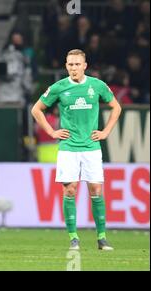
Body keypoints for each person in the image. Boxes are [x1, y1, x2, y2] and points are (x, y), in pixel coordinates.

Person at [31, 49, 122, 251]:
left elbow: (116, 107)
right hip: (68, 148)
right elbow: (36, 109)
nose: (74, 68)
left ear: (84, 66)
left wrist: (106, 131)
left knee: (96, 190)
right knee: (70, 190)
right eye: (70, 64)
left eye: (77, 64)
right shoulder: (59, 87)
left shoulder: (97, 85)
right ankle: (74, 238)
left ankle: (102, 238)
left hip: (91, 147)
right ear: (66, 66)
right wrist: (52, 132)